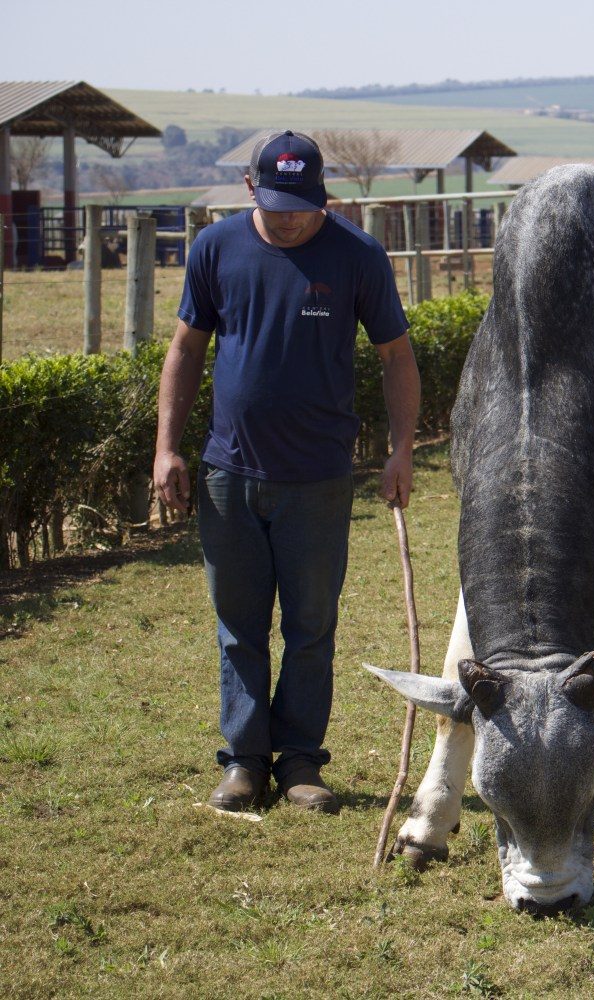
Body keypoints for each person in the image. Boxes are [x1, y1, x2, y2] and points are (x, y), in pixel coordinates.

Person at [154, 130, 419, 814]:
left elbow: (396, 356)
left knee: (310, 624)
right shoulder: (217, 248)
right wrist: (167, 447)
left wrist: (400, 450)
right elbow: (185, 347)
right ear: (250, 189)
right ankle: (244, 762)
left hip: (319, 480)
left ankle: (300, 762)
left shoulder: (357, 255)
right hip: (228, 475)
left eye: (302, 204)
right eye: (276, 204)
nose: (290, 217)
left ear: (322, 194)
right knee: (238, 625)